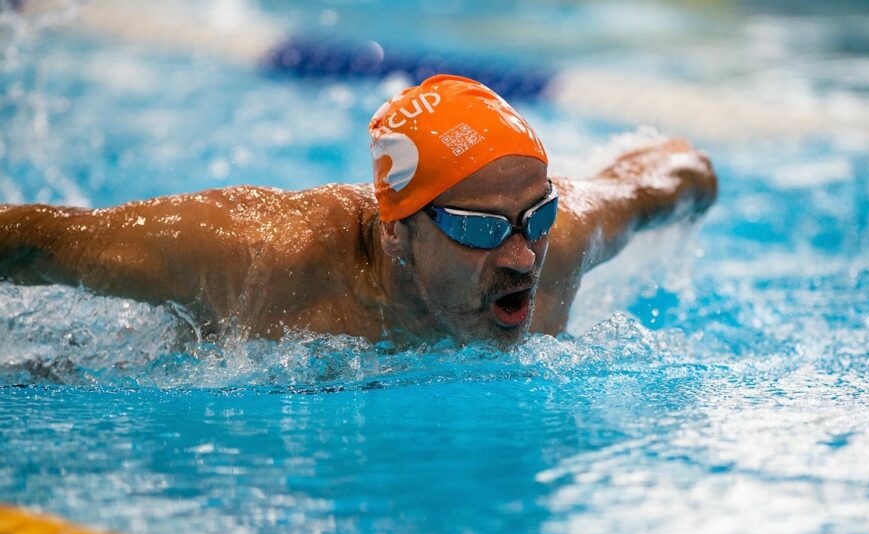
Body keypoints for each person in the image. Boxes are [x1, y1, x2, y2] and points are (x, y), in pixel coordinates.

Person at [0, 75, 716, 346]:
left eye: (538, 215)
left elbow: (673, 174)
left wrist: (696, 177)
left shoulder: (565, 240)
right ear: (398, 227)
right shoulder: (262, 257)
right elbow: (38, 242)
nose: (524, 256)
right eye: (478, 229)